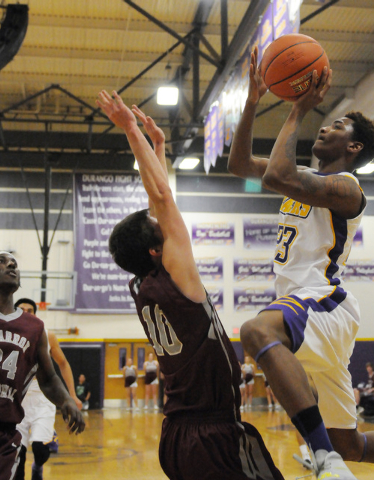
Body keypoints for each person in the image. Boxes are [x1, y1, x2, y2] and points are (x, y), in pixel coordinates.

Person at [228, 45, 374, 477]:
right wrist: (252, 102)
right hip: (307, 312)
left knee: (256, 330)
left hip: (322, 302)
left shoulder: (348, 187)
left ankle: (322, 457)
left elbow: (279, 175)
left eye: (337, 125)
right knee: (350, 442)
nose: (326, 127)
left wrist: (298, 110)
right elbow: (239, 163)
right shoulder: (307, 179)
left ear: (352, 146)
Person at [97, 90, 284, 480]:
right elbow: (161, 197)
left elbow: (158, 202)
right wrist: (132, 130)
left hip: (180, 432)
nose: (163, 220)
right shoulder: (179, 278)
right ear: (154, 249)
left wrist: (158, 146)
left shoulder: (147, 285)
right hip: (211, 434)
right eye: (157, 228)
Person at [0, 248, 85, 480]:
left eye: (13, 263)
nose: (11, 265)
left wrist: (66, 400)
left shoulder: (34, 328)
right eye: (1, 261)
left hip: (3, 434)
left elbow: (48, 377)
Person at [14, 298, 83, 480]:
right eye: (22, 309)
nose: (26, 313)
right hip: (18, 399)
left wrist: (73, 396)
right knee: (18, 455)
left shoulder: (46, 334)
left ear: (35, 314)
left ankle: (38, 466)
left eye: (30, 310)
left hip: (44, 397)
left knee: (39, 448)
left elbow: (63, 363)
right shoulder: (7, 332)